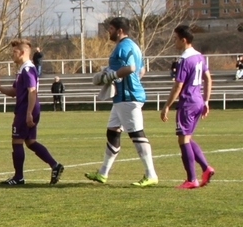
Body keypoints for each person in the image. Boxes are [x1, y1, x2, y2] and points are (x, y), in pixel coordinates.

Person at [84, 17, 158, 187]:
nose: (108, 32)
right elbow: (141, 70)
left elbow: (130, 68)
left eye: (110, 29)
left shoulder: (123, 46)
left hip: (127, 97)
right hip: (123, 97)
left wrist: (111, 76)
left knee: (137, 134)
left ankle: (151, 174)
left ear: (120, 31)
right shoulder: (133, 45)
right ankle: (103, 173)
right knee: (112, 131)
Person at [0, 38, 65, 185]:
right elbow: (14, 92)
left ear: (22, 52)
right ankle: (55, 165)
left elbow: (32, 91)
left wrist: (28, 113)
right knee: (30, 142)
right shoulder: (22, 70)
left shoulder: (27, 69)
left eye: (14, 52)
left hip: (26, 109)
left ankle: (18, 177)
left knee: (17, 141)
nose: (12, 54)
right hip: (27, 108)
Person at [160, 25, 214, 189]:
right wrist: (206, 101)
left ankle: (192, 179)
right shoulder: (199, 56)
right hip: (198, 101)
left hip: (187, 102)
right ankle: (206, 168)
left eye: (175, 39)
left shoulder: (184, 60)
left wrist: (167, 106)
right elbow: (208, 79)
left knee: (183, 139)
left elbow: (178, 85)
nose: (174, 42)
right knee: (187, 138)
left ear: (184, 40)